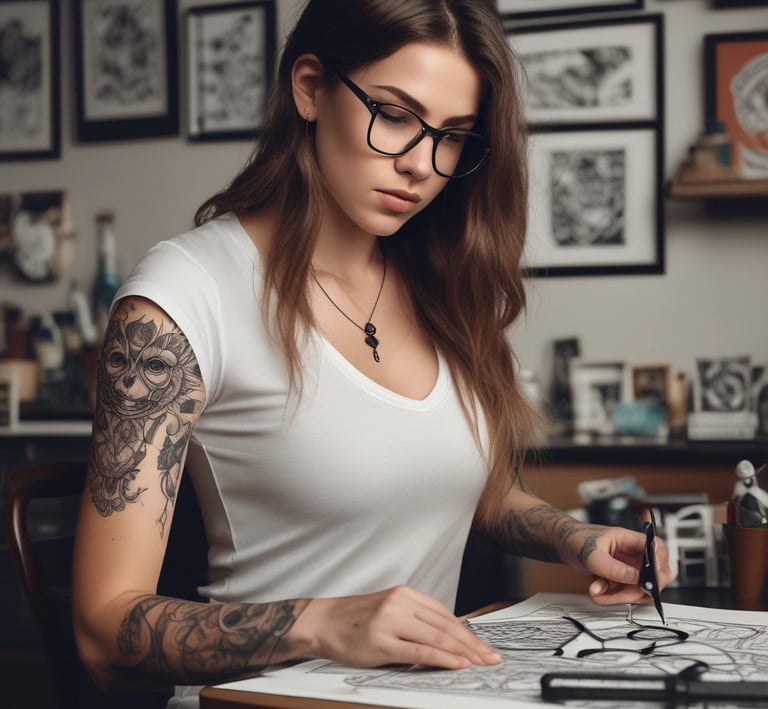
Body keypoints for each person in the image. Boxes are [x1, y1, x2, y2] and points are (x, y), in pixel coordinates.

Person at [71, 1, 672, 707]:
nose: (421, 165)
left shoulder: (441, 283)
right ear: (310, 87)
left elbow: (462, 487)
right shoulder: (183, 295)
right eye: (392, 114)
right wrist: (324, 621)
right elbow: (101, 630)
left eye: (452, 137)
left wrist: (575, 537)